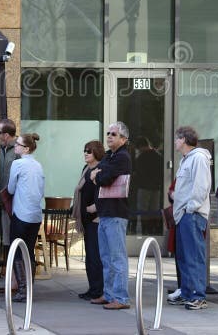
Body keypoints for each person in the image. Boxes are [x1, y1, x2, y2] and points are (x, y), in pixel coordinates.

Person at [167, 126, 212, 311]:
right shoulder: (185, 160)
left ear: (184, 139)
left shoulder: (199, 158)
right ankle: (186, 292)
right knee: (184, 258)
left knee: (193, 257)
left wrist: (190, 208)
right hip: (183, 215)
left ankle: (198, 296)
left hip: (191, 215)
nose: (175, 142)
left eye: (177, 139)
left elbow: (201, 187)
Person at [90, 121, 132, 310]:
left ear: (123, 139)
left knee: (117, 258)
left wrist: (97, 175)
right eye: (108, 133)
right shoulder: (109, 155)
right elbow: (96, 171)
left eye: (113, 134)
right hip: (105, 213)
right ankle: (108, 294)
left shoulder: (122, 157)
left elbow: (104, 177)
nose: (109, 137)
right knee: (106, 257)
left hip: (116, 213)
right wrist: (98, 173)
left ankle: (121, 298)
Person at [7, 132, 45, 302]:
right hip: (36, 214)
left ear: (26, 148)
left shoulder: (18, 164)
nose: (15, 146)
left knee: (16, 251)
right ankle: (29, 288)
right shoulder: (38, 165)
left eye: (18, 144)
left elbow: (10, 189)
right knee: (29, 251)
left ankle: (23, 290)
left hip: (21, 213)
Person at [72, 140, 105, 301]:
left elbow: (104, 193)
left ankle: (98, 290)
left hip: (96, 219)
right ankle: (92, 288)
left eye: (89, 151)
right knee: (90, 257)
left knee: (95, 256)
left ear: (97, 153)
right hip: (86, 218)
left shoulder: (101, 170)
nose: (85, 153)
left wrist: (95, 207)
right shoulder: (86, 169)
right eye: (85, 150)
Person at [131, 136, 164, 235]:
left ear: (140, 146)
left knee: (143, 211)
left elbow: (138, 173)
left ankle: (144, 231)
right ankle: (153, 230)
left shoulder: (141, 158)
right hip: (156, 188)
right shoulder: (159, 156)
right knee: (154, 210)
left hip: (144, 188)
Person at [0, 119, 18, 254]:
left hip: (12, 203)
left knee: (11, 239)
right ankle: (4, 270)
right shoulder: (0, 150)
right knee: (4, 238)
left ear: (6, 135)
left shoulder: (17, 151)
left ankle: (14, 272)